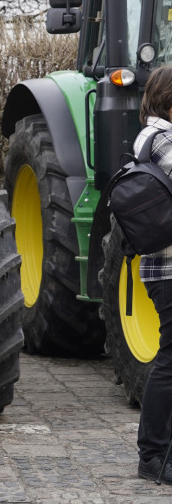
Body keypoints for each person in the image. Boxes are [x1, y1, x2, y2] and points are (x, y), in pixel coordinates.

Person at [134, 65, 172, 484]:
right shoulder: (160, 139)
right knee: (170, 361)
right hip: (168, 267)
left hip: (164, 267)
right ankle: (153, 457)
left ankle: (160, 453)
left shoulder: (155, 134)